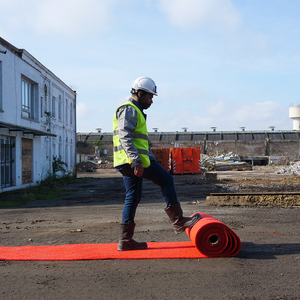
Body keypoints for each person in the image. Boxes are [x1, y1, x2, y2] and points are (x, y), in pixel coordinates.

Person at [113, 76, 201, 251]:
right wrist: (137, 161)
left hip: (127, 162)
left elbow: (139, 141)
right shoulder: (129, 109)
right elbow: (125, 136)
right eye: (150, 96)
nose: (152, 101)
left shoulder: (135, 111)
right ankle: (178, 221)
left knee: (133, 197)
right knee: (166, 180)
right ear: (140, 93)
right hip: (134, 161)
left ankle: (125, 240)